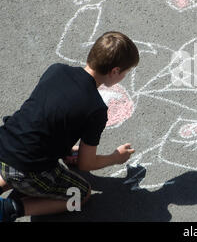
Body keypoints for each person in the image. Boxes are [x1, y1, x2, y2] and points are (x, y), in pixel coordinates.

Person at [0, 31, 139, 222]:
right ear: (114, 71)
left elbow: (47, 118)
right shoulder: (96, 109)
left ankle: (14, 181)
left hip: (5, 144)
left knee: (18, 167)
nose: (124, 76)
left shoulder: (57, 70)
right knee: (81, 195)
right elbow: (86, 164)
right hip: (27, 167)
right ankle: (10, 208)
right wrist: (115, 158)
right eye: (125, 72)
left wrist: (66, 151)